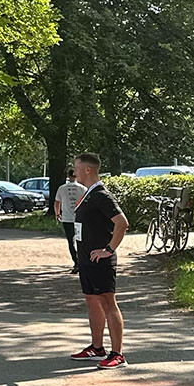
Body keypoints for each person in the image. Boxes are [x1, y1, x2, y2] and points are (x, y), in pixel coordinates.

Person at [69, 152, 129, 370]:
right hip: (86, 259)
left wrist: (108, 249)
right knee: (92, 300)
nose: (74, 172)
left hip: (100, 261)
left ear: (87, 170)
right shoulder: (89, 194)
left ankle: (117, 354)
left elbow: (122, 223)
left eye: (76, 168)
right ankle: (97, 348)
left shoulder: (102, 195)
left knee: (107, 302)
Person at [54, 169, 85, 274]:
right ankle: (83, 261)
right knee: (81, 240)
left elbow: (57, 203)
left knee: (71, 241)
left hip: (67, 219)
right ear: (76, 175)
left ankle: (76, 262)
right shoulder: (82, 188)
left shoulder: (62, 188)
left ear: (68, 176)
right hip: (80, 218)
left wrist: (57, 214)